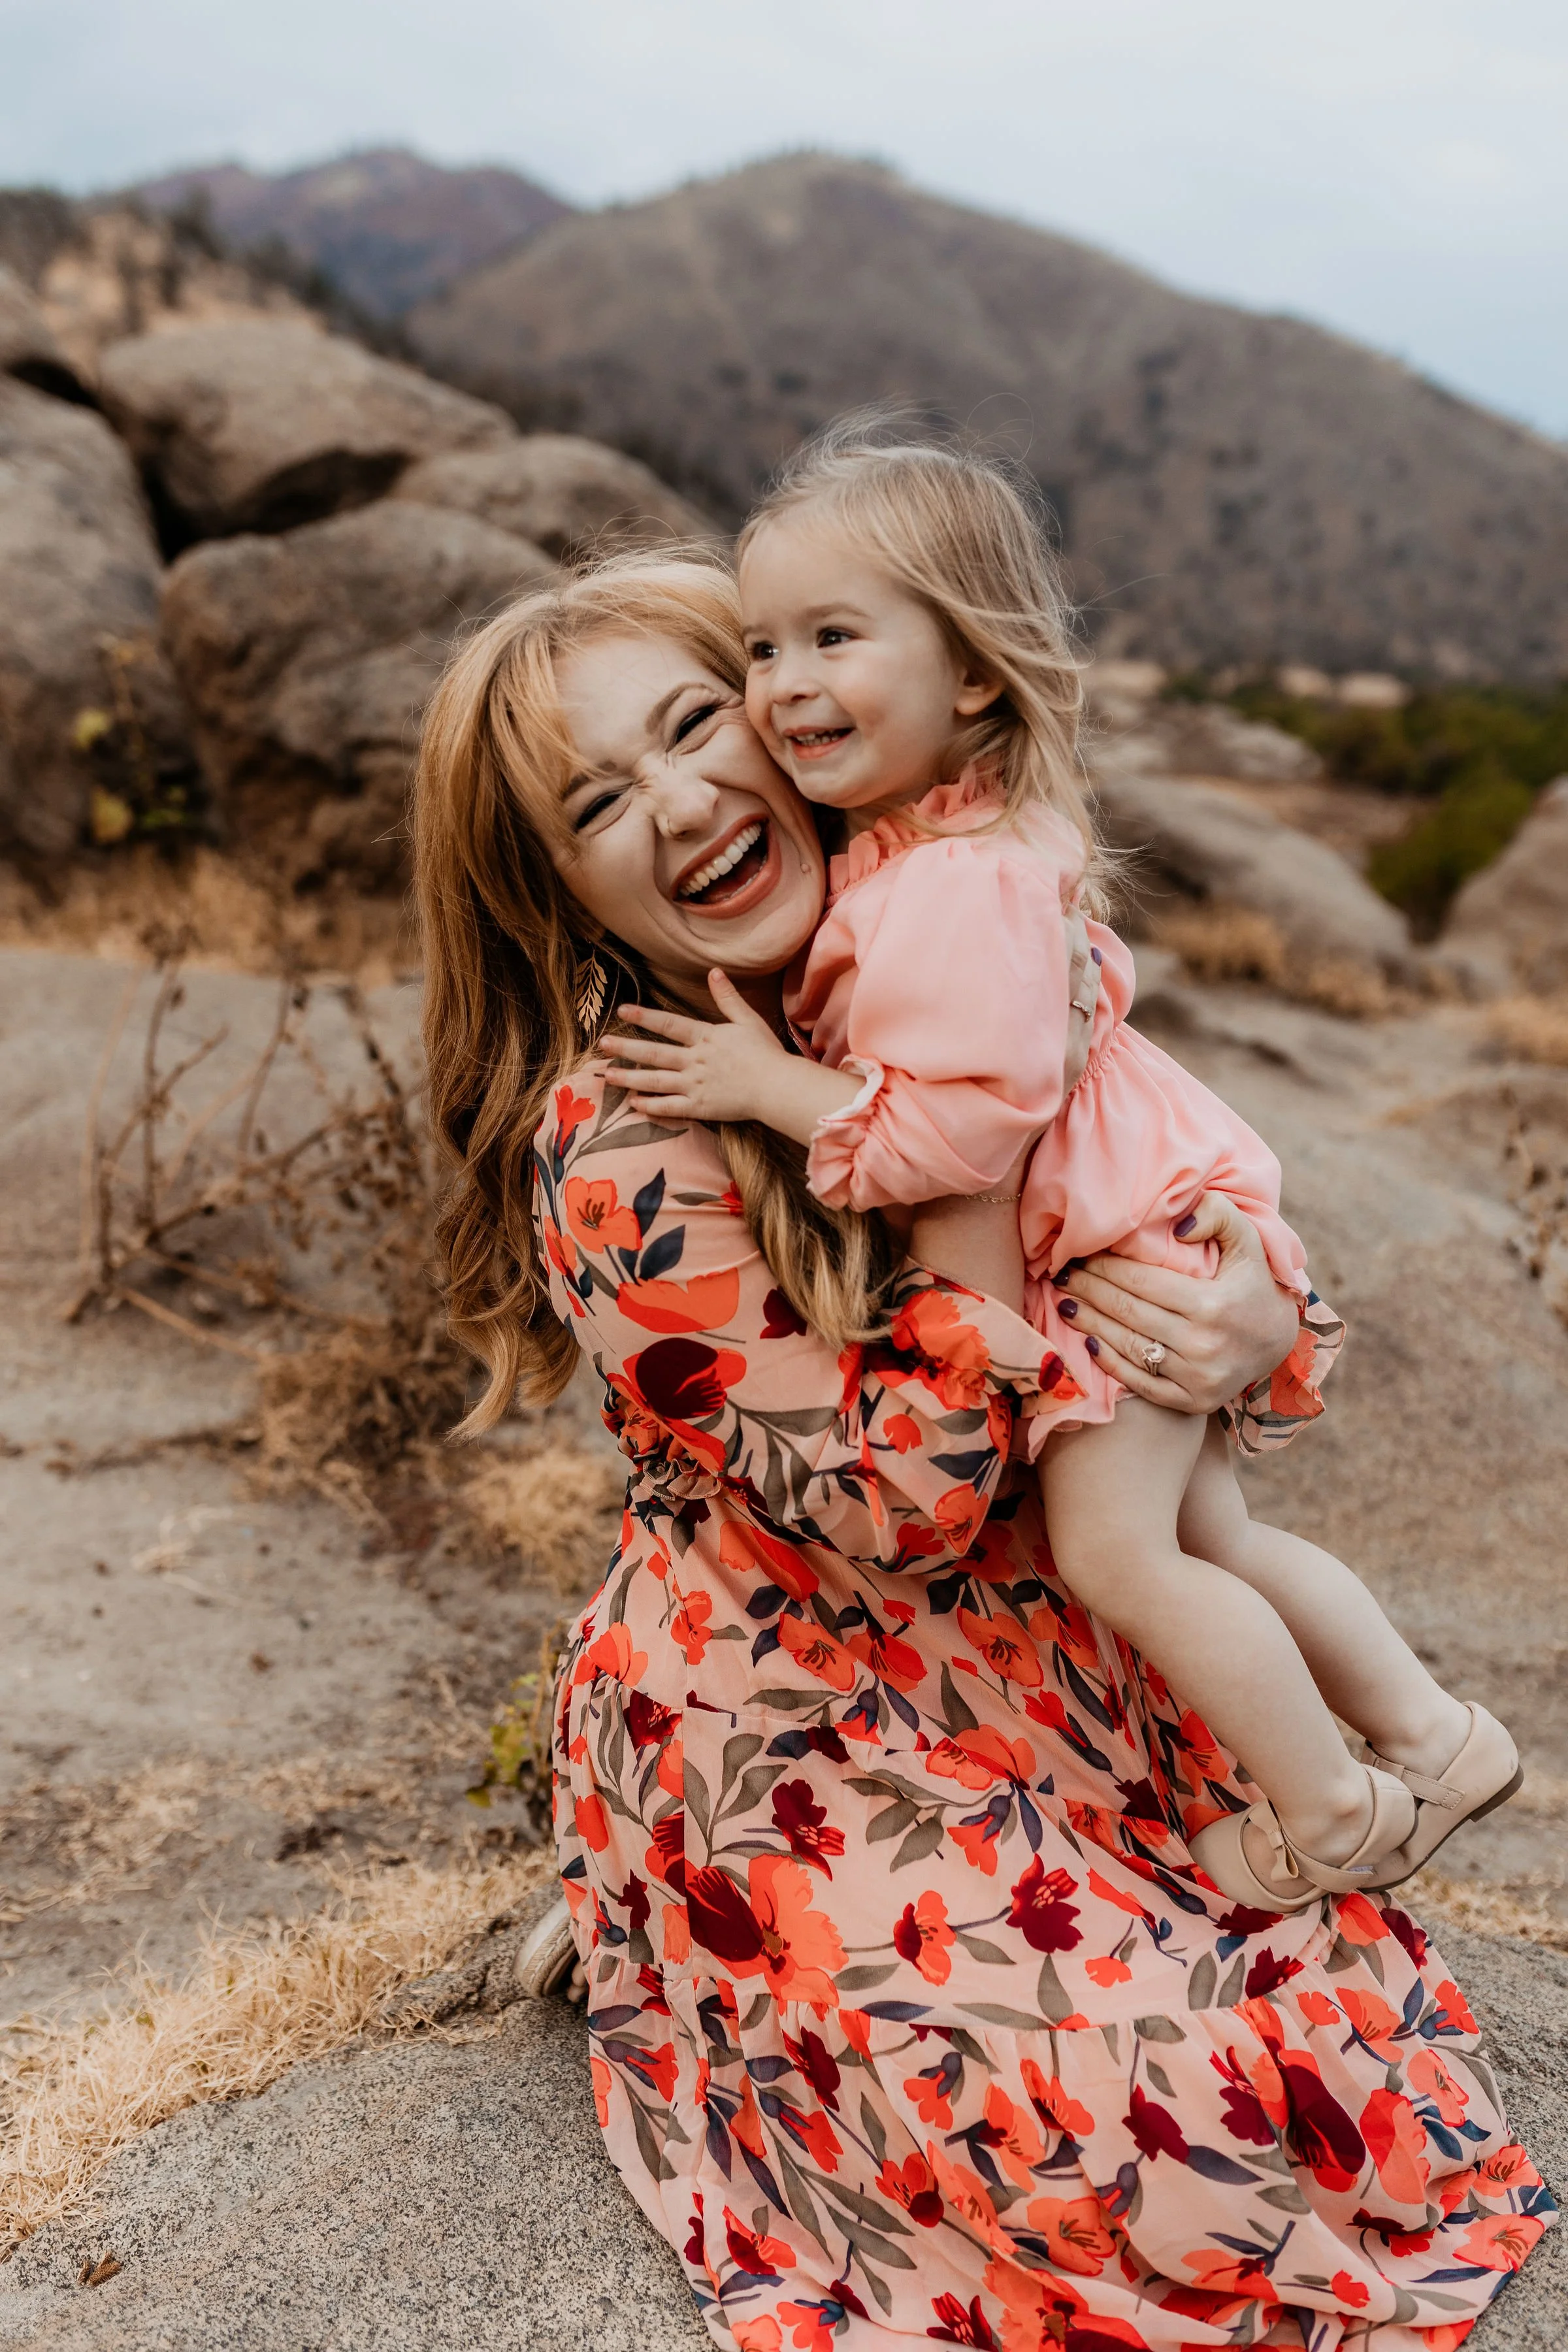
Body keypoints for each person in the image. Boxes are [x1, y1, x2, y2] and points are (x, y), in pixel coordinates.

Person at [412, 553, 1552, 2350]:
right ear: (554, 890)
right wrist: (972, 1197)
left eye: (700, 723)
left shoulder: (925, 951)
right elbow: (909, 1504)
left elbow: (1159, 1174)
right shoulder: (632, 1149)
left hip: (1031, 1658)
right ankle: (671, 1924)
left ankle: (710, 1958)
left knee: (1334, 2068)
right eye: (603, 802)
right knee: (1163, 2166)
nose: (687, 801)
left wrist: (1266, 1319)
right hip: (800, 1701)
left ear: (797, 723)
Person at [600, 433, 1518, 1916]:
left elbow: (965, 1131)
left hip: (1116, 1248)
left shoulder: (950, 885)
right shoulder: (942, 834)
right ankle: (1434, 1732)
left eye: (835, 637)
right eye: (761, 647)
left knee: (1118, 1554)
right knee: (1217, 1537)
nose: (785, 683)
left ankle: (1342, 1808)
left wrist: (769, 1087)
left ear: (971, 673)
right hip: (1134, 1217)